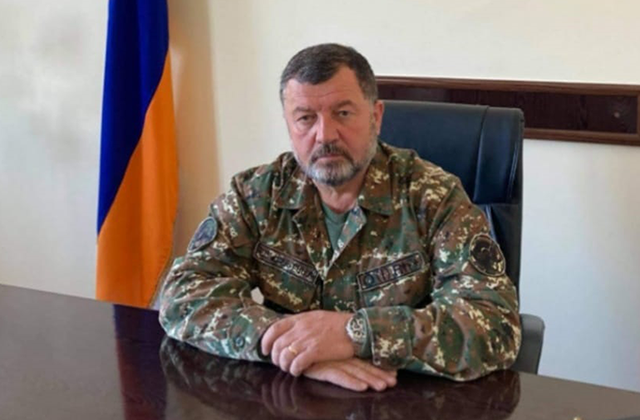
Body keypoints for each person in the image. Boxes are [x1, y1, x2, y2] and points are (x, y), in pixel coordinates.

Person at [159, 43, 521, 392]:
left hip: (400, 398)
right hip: (289, 394)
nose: (325, 135)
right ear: (288, 124)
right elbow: (182, 293)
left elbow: (496, 325)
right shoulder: (257, 195)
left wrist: (356, 334)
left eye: (343, 114)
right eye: (305, 118)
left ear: (376, 116)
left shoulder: (433, 198)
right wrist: (290, 345)